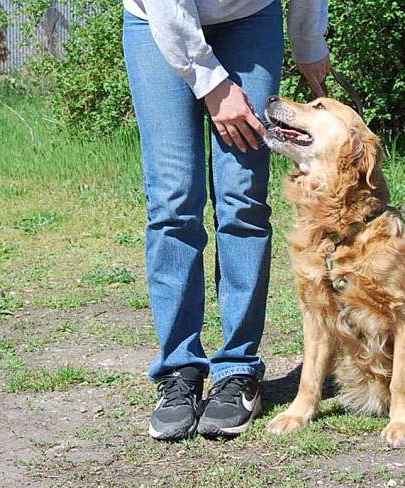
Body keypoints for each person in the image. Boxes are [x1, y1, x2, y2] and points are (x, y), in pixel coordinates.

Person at [122, 0, 329, 440]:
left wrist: (309, 42)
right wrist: (213, 84)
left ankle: (238, 368)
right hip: (157, 21)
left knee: (243, 199)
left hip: (249, 19)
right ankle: (178, 370)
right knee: (173, 200)